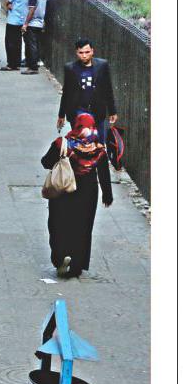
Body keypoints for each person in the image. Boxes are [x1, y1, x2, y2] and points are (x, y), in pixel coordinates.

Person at [40, 112, 113, 279]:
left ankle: (60, 258)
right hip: (88, 194)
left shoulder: (62, 144)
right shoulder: (98, 148)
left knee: (58, 225)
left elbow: (46, 162)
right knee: (83, 229)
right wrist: (107, 195)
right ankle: (76, 266)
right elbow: (103, 173)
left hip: (64, 191)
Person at [56, 39, 118, 138]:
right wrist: (61, 115)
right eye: (81, 53)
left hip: (97, 110)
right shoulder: (70, 68)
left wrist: (112, 111)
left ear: (92, 51)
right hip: (78, 112)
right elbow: (66, 93)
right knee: (81, 142)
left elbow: (108, 89)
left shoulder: (102, 65)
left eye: (87, 52)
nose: (84, 55)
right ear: (76, 52)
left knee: (99, 141)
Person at [2, 0, 30, 71]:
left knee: (10, 43)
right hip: (22, 20)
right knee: (18, 43)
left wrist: (9, 5)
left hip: (13, 19)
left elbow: (8, 1)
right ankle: (17, 63)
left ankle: (11, 64)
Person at [22, 0, 49, 74]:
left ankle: (33, 68)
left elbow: (31, 10)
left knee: (31, 46)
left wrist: (25, 24)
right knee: (36, 45)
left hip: (32, 23)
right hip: (40, 23)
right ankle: (35, 64)